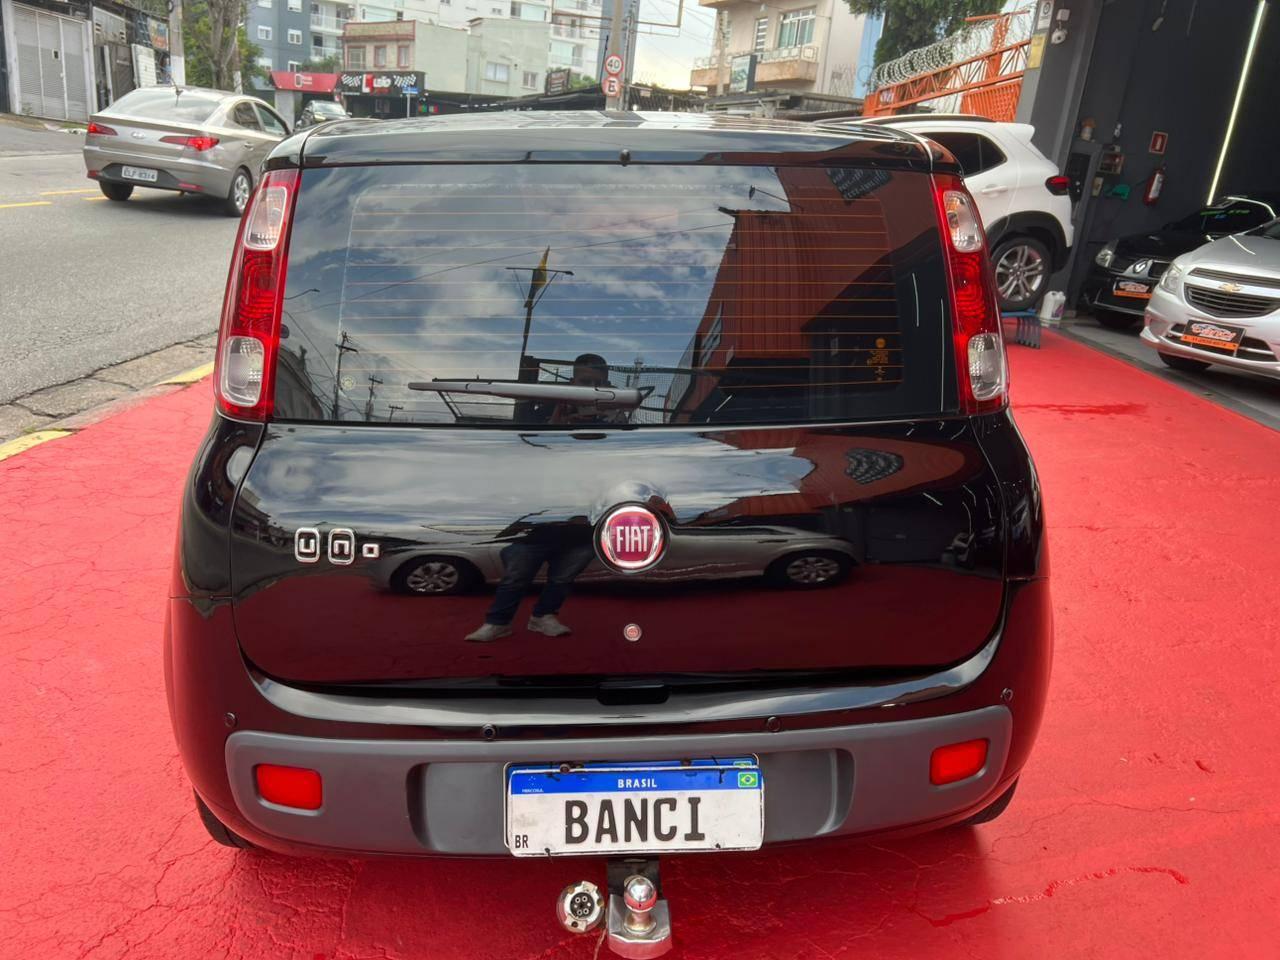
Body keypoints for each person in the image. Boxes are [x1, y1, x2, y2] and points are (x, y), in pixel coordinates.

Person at [464, 524, 596, 642]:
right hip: (531, 537)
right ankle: (497, 623)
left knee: (562, 580)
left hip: (582, 539)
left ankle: (543, 617)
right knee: (515, 579)